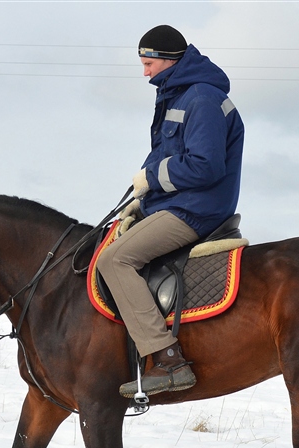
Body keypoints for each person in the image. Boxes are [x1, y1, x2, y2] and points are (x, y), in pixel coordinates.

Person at [96, 25, 245, 398]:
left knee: (114, 261)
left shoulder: (201, 99)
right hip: (174, 203)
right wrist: (142, 198)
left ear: (168, 60)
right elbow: (168, 155)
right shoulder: (178, 95)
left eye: (148, 63)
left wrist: (150, 177)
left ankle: (167, 359)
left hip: (196, 209)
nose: (145, 72)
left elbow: (206, 166)